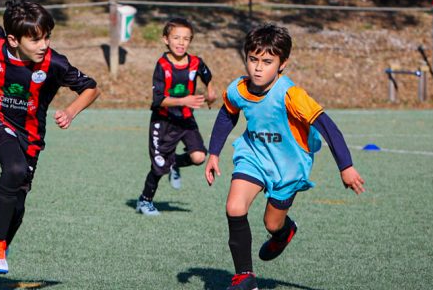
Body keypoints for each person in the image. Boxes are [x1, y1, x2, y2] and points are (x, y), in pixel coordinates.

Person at [204, 24, 366, 290]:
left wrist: (345, 167)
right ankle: (245, 277)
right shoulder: (238, 89)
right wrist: (213, 153)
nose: (258, 68)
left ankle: (284, 232)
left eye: (267, 62)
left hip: (289, 167)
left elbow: (328, 127)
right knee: (234, 207)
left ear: (282, 64)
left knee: (272, 222)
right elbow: (227, 114)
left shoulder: (292, 95)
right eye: (253, 60)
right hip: (254, 156)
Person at [0, 0, 99, 281]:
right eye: (35, 39)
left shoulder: (55, 63)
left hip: (30, 135)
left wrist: (71, 112)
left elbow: (91, 88)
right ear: (13, 39)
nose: (43, 44)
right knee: (13, 169)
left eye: (47, 36)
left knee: (19, 201)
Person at [136, 17, 215, 216]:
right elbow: (158, 100)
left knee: (198, 157)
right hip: (164, 121)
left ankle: (174, 165)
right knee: (159, 165)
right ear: (166, 39)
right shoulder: (162, 66)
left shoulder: (196, 62)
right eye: (176, 38)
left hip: (186, 119)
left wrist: (211, 91)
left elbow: (207, 75)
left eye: (186, 39)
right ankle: (144, 201)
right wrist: (183, 101)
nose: (181, 43)